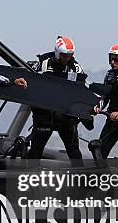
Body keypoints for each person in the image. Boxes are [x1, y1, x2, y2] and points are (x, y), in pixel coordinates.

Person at [27, 36, 86, 165]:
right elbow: (31, 80)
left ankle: (82, 182)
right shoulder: (43, 64)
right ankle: (29, 180)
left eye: (70, 55)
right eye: (64, 55)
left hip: (66, 117)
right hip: (44, 116)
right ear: (58, 53)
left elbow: (83, 87)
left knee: (74, 151)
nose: (67, 58)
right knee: (35, 151)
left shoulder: (75, 67)